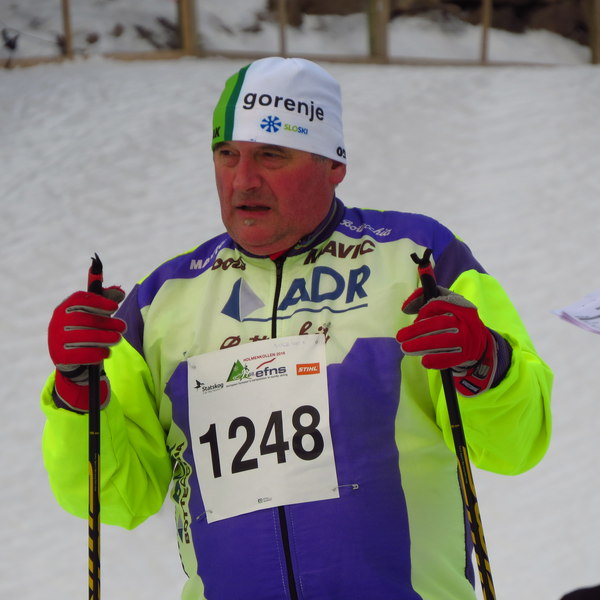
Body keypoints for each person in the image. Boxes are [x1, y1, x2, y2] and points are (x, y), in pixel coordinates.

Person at [41, 57, 553, 600]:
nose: (243, 180)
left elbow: (515, 446)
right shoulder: (162, 299)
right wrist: (77, 391)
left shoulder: (418, 258)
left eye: (271, 155)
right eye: (227, 154)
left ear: (333, 164)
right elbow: (114, 498)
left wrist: (485, 363)